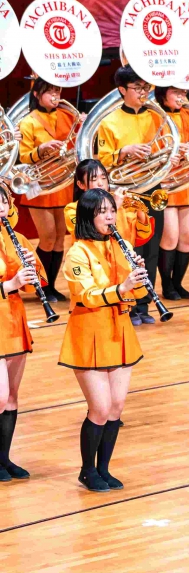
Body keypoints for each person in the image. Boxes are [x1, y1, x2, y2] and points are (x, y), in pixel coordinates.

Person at [58, 189, 147, 492]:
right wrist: (122, 288)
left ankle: (104, 469)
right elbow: (86, 295)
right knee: (99, 406)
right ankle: (87, 470)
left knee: (116, 407)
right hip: (89, 331)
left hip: (119, 328)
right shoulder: (77, 253)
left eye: (111, 210)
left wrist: (138, 279)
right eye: (102, 212)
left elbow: (136, 293)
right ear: (88, 217)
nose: (110, 217)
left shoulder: (121, 245)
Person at [95, 66, 167, 326]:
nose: (144, 92)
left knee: (151, 248)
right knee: (129, 248)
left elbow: (167, 147)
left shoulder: (158, 117)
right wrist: (124, 151)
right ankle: (128, 303)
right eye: (138, 88)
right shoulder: (109, 122)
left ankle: (145, 303)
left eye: (146, 87)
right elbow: (102, 160)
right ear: (122, 90)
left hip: (152, 188)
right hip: (124, 191)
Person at [17, 78, 82, 302]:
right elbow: (23, 157)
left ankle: (51, 286)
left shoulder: (67, 115)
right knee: (47, 238)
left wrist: (83, 123)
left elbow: (79, 143)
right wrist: (41, 149)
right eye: (49, 92)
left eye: (57, 91)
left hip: (63, 183)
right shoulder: (28, 121)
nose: (55, 96)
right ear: (37, 95)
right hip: (40, 185)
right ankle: (41, 286)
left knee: (59, 239)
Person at [0, 185, 42, 481]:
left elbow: (33, 282)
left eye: (3, 202)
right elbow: (12, 283)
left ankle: (4, 459)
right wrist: (9, 284)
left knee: (12, 397)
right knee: (0, 397)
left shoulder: (17, 238)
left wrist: (30, 273)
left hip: (14, 321)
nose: (1, 207)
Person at [155, 86, 189, 301]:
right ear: (163, 94)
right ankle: (167, 284)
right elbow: (150, 149)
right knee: (170, 237)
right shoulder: (155, 116)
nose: (181, 97)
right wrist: (171, 154)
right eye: (176, 93)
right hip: (166, 183)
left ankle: (177, 283)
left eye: (184, 93)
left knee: (187, 237)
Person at [64, 160, 153, 250]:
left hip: (123, 257)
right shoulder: (72, 209)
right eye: (94, 179)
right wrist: (114, 206)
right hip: (92, 257)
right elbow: (87, 234)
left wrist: (140, 211)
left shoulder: (123, 203)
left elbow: (143, 234)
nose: (101, 183)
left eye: (103, 178)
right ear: (81, 184)